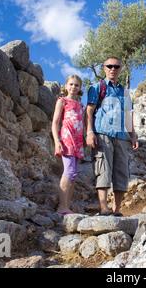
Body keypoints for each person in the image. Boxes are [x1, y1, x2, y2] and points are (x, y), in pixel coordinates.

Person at [85, 57, 139, 217]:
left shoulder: (124, 92)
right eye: (109, 66)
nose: (113, 69)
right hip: (102, 133)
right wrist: (89, 132)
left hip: (121, 137)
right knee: (103, 170)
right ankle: (104, 209)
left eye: (116, 66)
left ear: (120, 69)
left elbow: (128, 115)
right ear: (104, 68)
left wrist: (133, 137)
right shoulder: (97, 87)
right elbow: (89, 111)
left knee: (122, 172)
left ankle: (116, 210)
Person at [52, 75, 85, 215]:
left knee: (74, 174)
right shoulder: (62, 101)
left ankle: (67, 206)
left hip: (78, 141)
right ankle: (61, 207)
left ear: (80, 88)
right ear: (65, 86)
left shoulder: (80, 105)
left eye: (76, 85)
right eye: (71, 84)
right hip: (67, 138)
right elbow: (55, 122)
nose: (73, 87)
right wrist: (57, 141)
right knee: (69, 171)